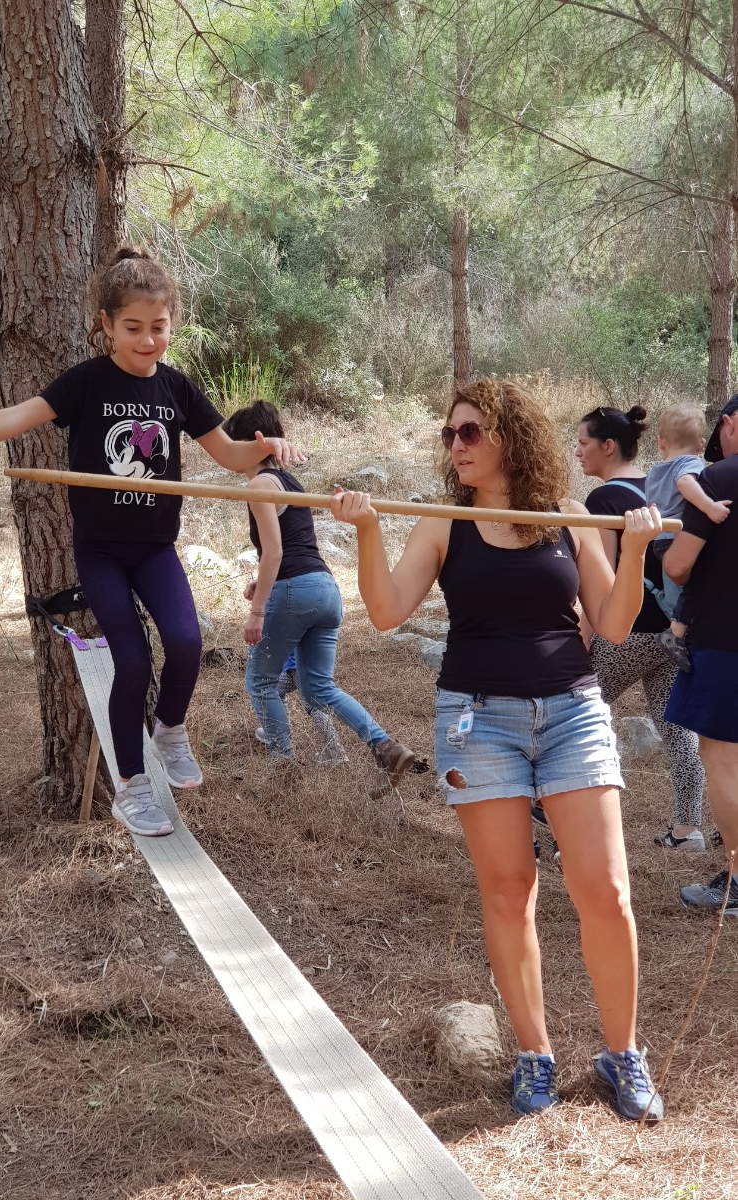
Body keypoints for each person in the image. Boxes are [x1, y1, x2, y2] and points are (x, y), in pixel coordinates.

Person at [332, 378, 665, 1122]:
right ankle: (534, 1055)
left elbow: (612, 624)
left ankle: (624, 1056)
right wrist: (365, 529)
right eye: (451, 435)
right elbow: (386, 612)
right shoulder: (445, 519)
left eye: (471, 431)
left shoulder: (565, 514)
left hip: (574, 712)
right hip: (476, 722)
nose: (458, 445)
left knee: (605, 889)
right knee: (510, 891)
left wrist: (634, 548)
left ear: (511, 435)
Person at [0, 246, 302, 839]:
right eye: (133, 327)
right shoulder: (85, 384)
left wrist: (268, 449)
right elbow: (14, 417)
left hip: (156, 550)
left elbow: (232, 455)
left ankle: (171, 731)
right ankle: (132, 789)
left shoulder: (179, 391)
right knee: (131, 660)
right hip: (102, 553)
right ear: (107, 325)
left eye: (158, 328)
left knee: (186, 643)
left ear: (172, 324)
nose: (148, 340)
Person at [221, 401, 414, 785]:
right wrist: (264, 583)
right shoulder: (293, 483)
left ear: (252, 444)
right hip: (325, 589)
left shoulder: (259, 484)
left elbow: (275, 551)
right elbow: (294, 546)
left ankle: (284, 768)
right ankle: (385, 745)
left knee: (260, 682)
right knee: (318, 688)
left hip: (294, 589)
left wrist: (257, 611)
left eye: (232, 444)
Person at [575, 405, 707, 853]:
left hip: (627, 633)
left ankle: (564, 818)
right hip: (671, 629)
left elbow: (603, 582)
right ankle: (688, 829)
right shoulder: (659, 485)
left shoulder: (603, 501)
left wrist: (583, 635)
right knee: (675, 728)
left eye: (583, 443)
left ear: (608, 446)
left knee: (576, 714)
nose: (578, 452)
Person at [663, 396, 738, 915]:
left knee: (724, 759)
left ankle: (737, 880)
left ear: (730, 425)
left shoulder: (720, 480)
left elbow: (679, 565)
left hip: (725, 641)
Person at [646, 403, 732, 670]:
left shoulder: (656, 469)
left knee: (680, 588)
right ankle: (675, 633)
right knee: (691, 586)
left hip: (660, 538)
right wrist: (710, 507)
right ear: (700, 443)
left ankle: (666, 611)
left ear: (661, 443)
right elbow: (685, 484)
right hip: (676, 536)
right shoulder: (691, 463)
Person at [253, 653, 348, 765]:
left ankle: (334, 752)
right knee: (273, 692)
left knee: (315, 706)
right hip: (293, 665)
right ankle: (277, 734)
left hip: (303, 664)